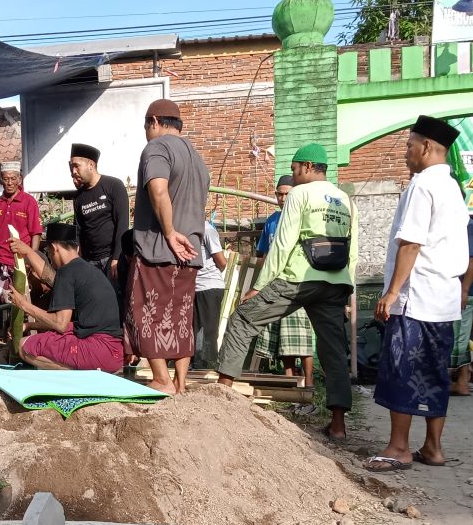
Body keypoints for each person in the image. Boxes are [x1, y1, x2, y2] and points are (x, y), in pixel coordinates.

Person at [217, 143, 356, 439]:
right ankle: (339, 426)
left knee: (243, 319)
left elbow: (283, 243)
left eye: (294, 169)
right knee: (334, 351)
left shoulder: (300, 194)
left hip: (299, 279)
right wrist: (347, 289)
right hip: (335, 282)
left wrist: (258, 286)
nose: (293, 176)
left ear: (306, 166)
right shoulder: (344, 198)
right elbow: (353, 249)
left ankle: (220, 400)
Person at [368, 116, 470, 472]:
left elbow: (411, 243)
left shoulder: (422, 185)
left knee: (402, 368)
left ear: (426, 146)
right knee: (434, 371)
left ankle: (399, 448)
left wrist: (392, 291)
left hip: (417, 296)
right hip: (443, 299)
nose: (405, 154)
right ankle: (433, 447)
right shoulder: (453, 188)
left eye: (409, 146)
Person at [125, 98, 211, 394]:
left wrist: (170, 231)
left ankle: (162, 379)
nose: (147, 132)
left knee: (145, 312)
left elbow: (158, 189)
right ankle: (181, 382)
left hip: (159, 249)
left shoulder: (157, 148)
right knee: (180, 317)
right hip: (190, 254)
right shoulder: (196, 157)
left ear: (155, 122)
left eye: (146, 126)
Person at [12, 223, 124, 373]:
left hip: (99, 352)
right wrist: (30, 326)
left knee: (24, 346)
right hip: (115, 352)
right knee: (56, 332)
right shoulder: (86, 269)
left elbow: (60, 323)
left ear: (54, 248)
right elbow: (49, 276)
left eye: (49, 253)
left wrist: (23, 305)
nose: (50, 257)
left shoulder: (67, 272)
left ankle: (80, 373)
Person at [256, 169, 314, 386]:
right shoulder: (271, 221)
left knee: (301, 337)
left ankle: (308, 382)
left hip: (298, 283)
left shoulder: (303, 216)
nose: (282, 198)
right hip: (275, 285)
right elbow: (262, 254)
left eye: (287, 194)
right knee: (284, 339)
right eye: (279, 194)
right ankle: (290, 382)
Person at [0, 162, 42, 303]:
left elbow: (35, 233)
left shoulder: (29, 202)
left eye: (13, 179)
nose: (9, 183)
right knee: (6, 301)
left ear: (19, 179)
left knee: (23, 301)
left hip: (22, 261)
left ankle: (25, 326)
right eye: (6, 179)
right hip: (2, 261)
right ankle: (7, 325)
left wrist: (32, 259)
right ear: (0, 180)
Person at [70, 143, 129, 278]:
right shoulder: (79, 197)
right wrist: (80, 261)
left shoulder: (114, 186)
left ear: (91, 165)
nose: (73, 171)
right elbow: (78, 231)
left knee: (114, 297)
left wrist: (117, 258)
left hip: (111, 260)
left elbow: (122, 224)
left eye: (76, 166)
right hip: (89, 263)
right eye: (72, 166)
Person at [450, 218, 473, 396]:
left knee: (460, 339)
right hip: (456, 291)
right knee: (459, 338)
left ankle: (462, 382)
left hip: (464, 292)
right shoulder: (453, 223)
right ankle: (460, 381)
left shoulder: (468, 226)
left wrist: (463, 291)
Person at [193, 220, 227, 370]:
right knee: (195, 329)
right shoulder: (187, 227)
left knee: (208, 330)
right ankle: (197, 364)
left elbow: (222, 262)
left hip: (210, 286)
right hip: (193, 287)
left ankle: (209, 366)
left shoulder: (207, 229)